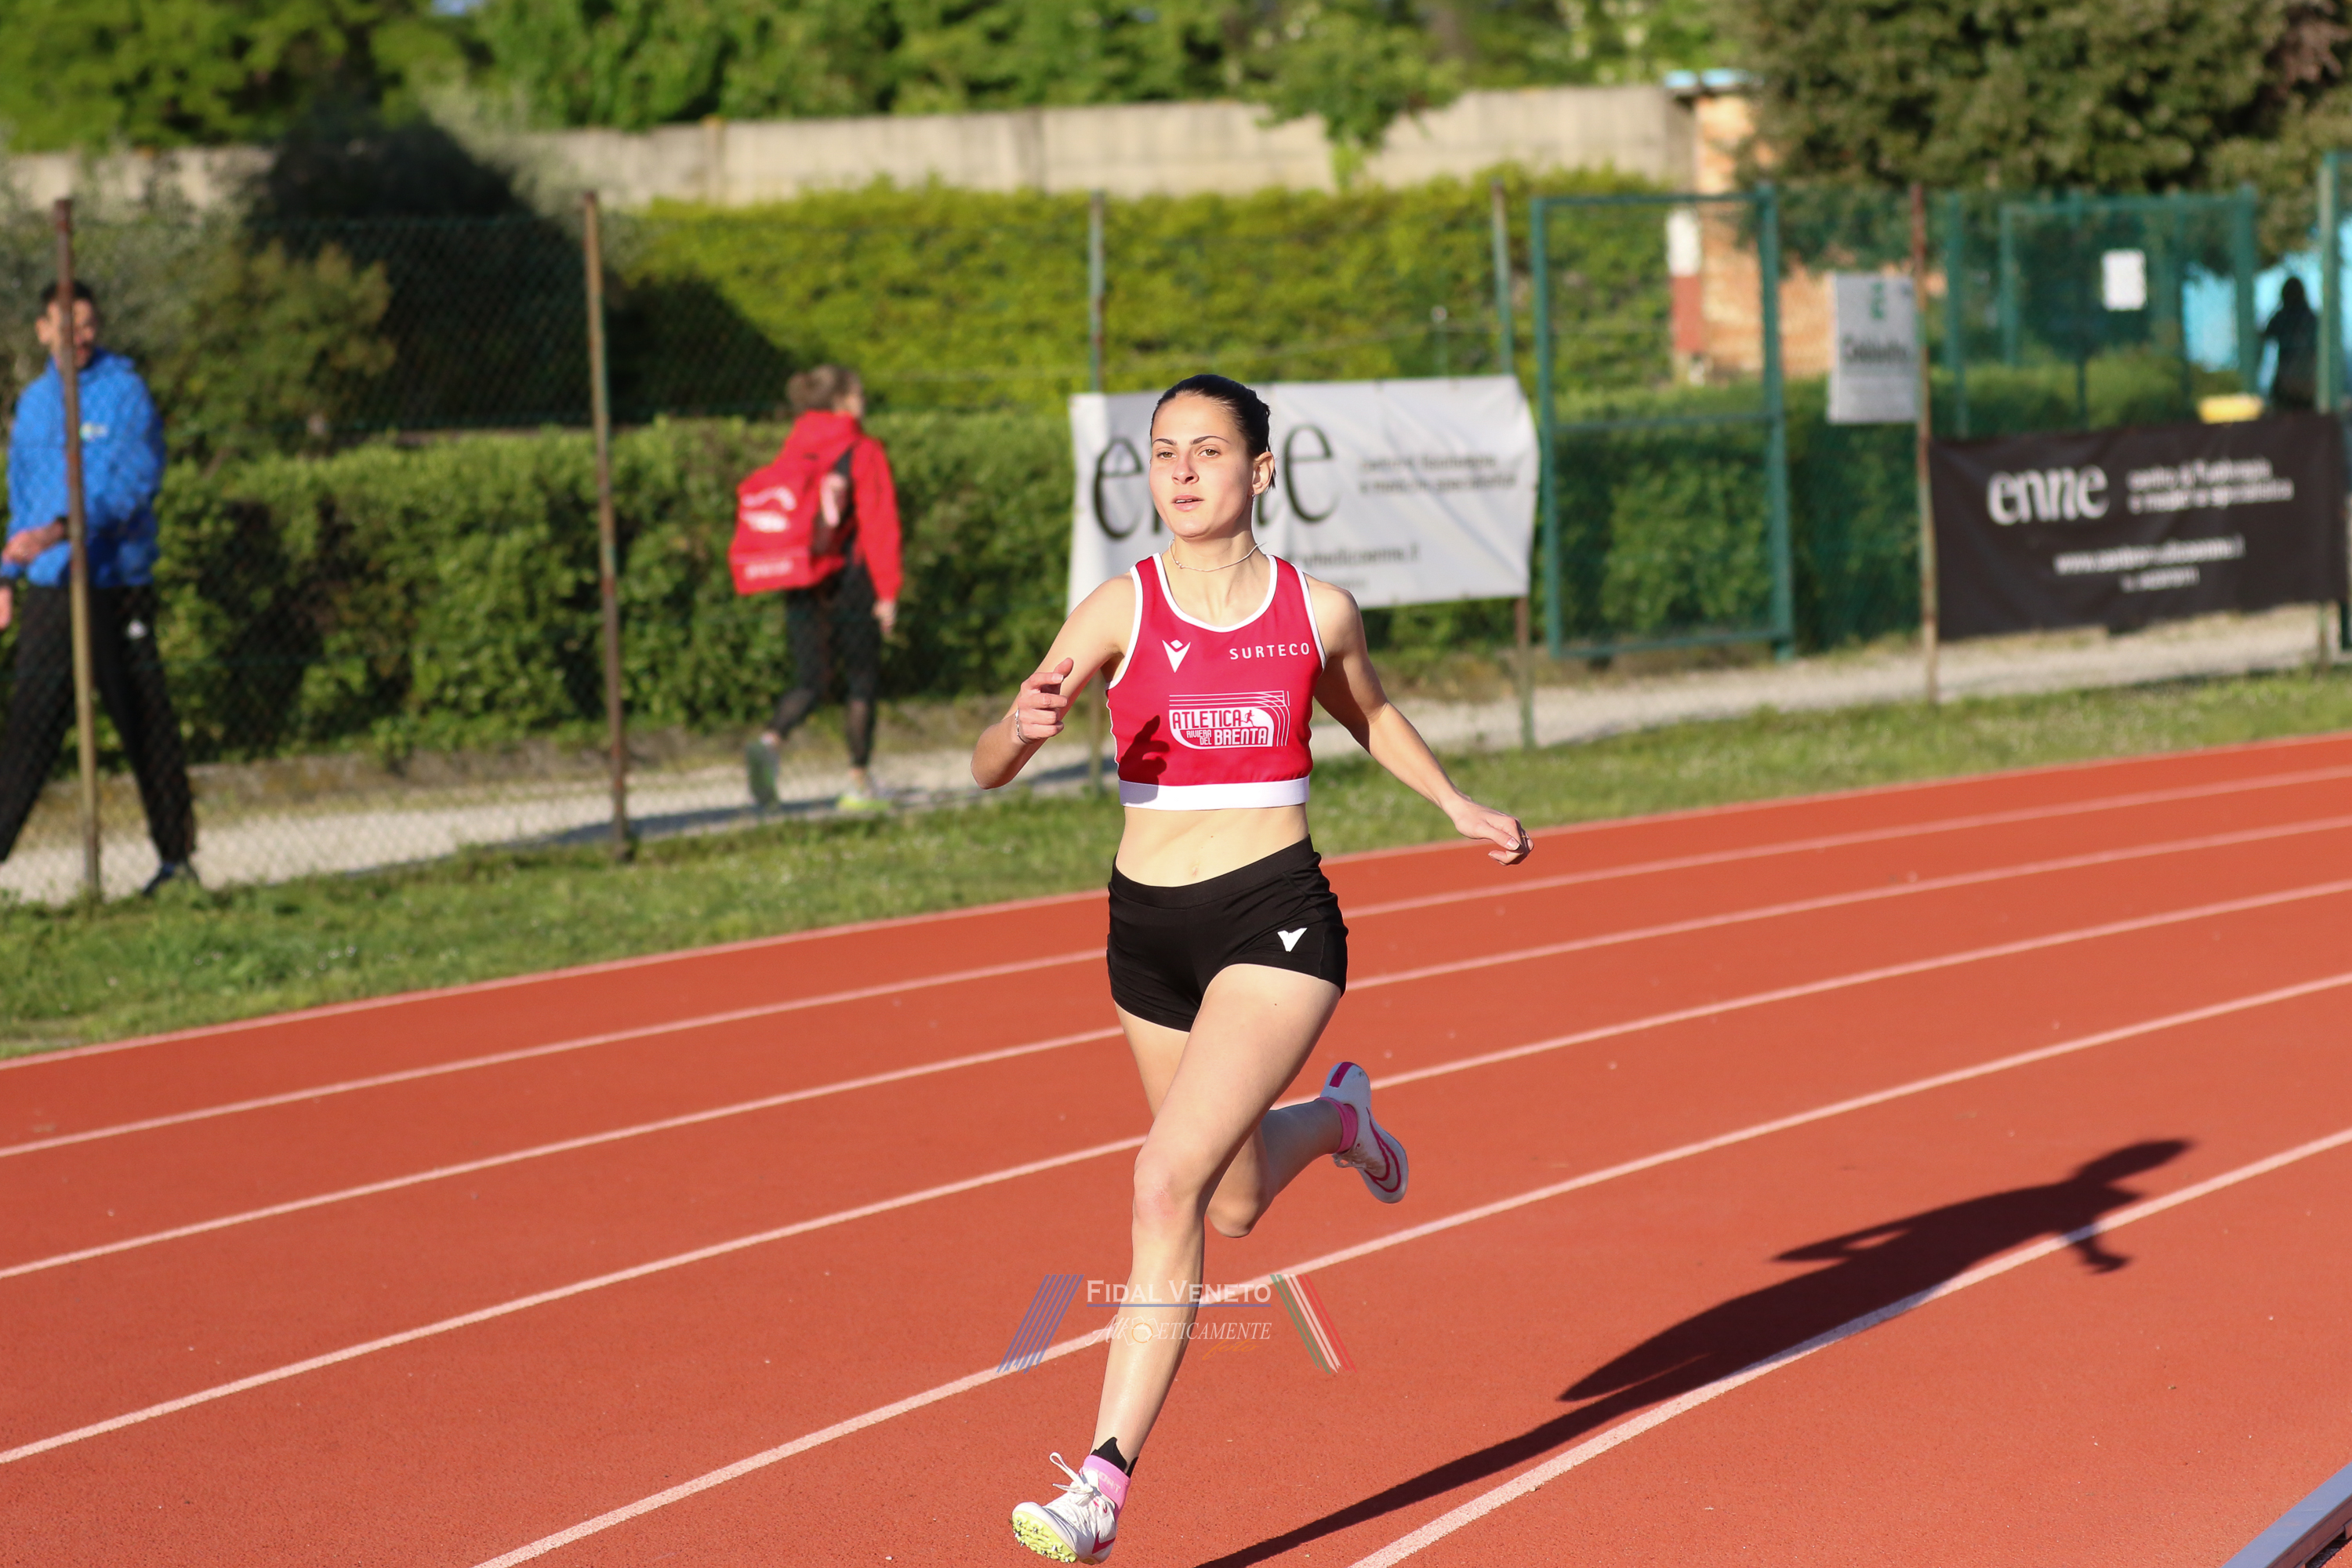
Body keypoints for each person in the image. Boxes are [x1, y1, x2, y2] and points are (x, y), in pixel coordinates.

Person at [973, 374, 1531, 1564]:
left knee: (1162, 1183)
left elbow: (1369, 712)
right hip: (1146, 933)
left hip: (1275, 921)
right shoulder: (1116, 606)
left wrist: (1453, 801)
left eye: (1208, 450)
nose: (1181, 472)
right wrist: (1016, 732)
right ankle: (1339, 1122)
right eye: (1163, 452)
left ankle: (1100, 1489)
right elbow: (987, 761)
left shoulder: (1315, 610)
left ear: (1261, 470)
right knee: (1226, 1204)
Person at [0, 280, 194, 895]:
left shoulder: (125, 393)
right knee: (29, 727)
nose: (77, 338)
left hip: (115, 585)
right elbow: (23, 499)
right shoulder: (35, 404)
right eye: (65, 326)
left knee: (144, 720)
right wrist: (7, 572)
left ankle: (176, 863)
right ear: (42, 331)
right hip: (54, 589)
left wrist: (64, 529)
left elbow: (131, 486)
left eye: (87, 325)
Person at [745, 365, 904, 814]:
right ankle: (859, 783)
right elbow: (879, 524)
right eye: (858, 394)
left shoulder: (796, 445)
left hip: (803, 575)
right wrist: (887, 592)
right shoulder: (862, 449)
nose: (863, 401)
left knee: (811, 679)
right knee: (861, 681)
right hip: (853, 579)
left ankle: (769, 741)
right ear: (842, 402)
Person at [2263, 276, 2319, 412]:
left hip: (2289, 381)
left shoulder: (2283, 317)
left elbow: (2263, 335)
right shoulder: (2311, 317)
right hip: (2305, 382)